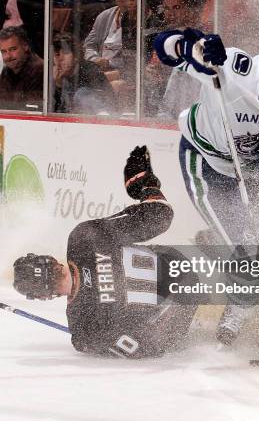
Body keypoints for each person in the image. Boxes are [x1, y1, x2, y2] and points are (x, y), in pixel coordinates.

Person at [13, 146, 199, 358]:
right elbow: (160, 216)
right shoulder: (81, 239)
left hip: (183, 304)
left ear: (43, 296)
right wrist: (146, 185)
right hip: (181, 264)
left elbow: (152, 345)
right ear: (48, 259)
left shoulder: (82, 330)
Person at [153, 28, 259, 244]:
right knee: (237, 245)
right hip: (204, 159)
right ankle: (224, 247)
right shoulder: (232, 72)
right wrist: (190, 47)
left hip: (246, 168)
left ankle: (216, 243)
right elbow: (163, 47)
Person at [83, 0, 138, 74]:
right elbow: (89, 45)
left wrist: (111, 65)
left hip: (125, 73)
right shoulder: (104, 16)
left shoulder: (139, 19)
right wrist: (95, 59)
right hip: (100, 71)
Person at [52, 31, 116, 114]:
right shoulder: (53, 77)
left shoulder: (90, 70)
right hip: (69, 123)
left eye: (65, 53)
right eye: (57, 54)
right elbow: (55, 110)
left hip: (99, 119)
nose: (60, 59)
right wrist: (57, 85)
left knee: (81, 93)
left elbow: (108, 99)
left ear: (76, 56)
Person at [0, 25, 43, 110]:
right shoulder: (7, 70)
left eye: (13, 49)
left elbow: (30, 109)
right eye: (4, 51)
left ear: (25, 46)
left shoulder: (40, 70)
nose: (8, 56)